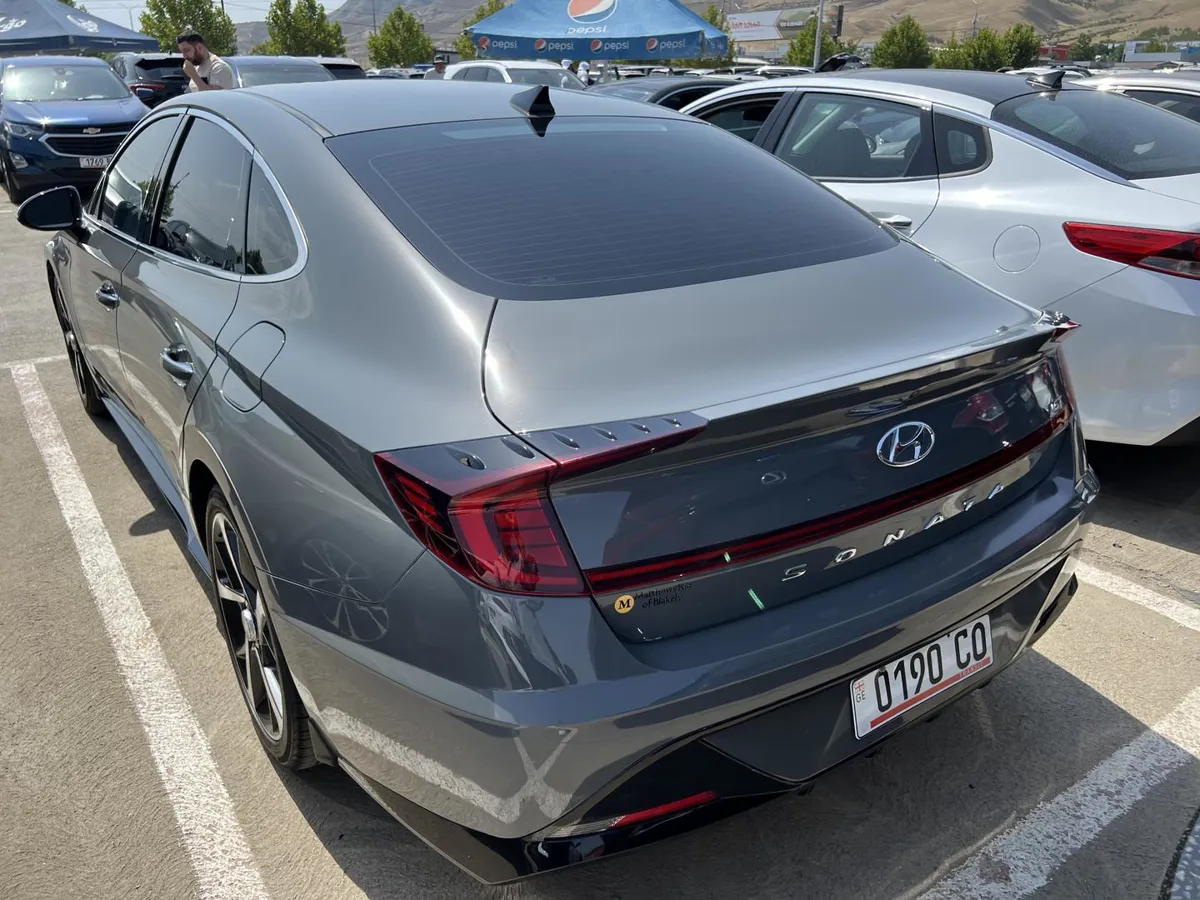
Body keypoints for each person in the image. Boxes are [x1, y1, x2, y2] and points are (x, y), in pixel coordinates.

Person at [177, 28, 234, 92]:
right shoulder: (196, 67)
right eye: (182, 52)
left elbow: (215, 96)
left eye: (186, 51)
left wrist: (194, 76)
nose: (184, 56)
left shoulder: (219, 67)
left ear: (199, 47)